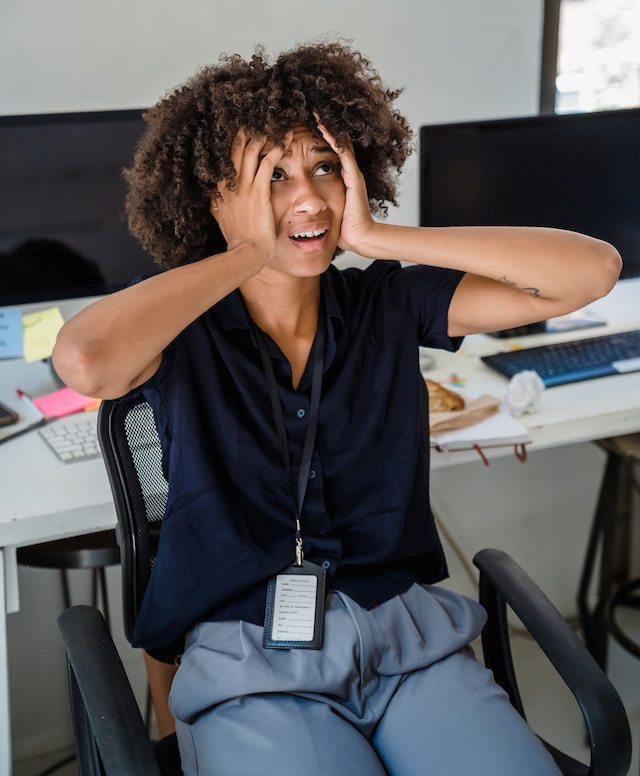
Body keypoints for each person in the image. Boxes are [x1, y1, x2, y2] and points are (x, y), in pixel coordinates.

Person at [53, 40, 621, 776]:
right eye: (272, 176)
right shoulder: (179, 326)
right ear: (214, 196)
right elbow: (85, 359)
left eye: (324, 167)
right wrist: (247, 251)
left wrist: (377, 236)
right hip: (251, 664)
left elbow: (592, 273)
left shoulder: (387, 301)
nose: (309, 198)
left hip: (409, 644)